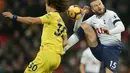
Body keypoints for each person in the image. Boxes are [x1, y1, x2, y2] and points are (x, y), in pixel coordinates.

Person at [2, 0, 69, 73]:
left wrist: (13, 16)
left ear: (51, 5)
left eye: (46, 5)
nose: (45, 8)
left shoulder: (52, 15)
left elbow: (31, 20)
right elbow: (65, 42)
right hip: (57, 59)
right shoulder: (61, 22)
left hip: (47, 55)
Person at [64, 0, 125, 73]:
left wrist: (110, 31)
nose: (99, 6)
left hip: (112, 49)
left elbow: (122, 27)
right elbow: (77, 29)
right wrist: (81, 15)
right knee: (85, 26)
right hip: (99, 49)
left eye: (100, 4)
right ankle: (64, 48)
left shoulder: (111, 14)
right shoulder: (93, 19)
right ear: (92, 10)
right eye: (96, 5)